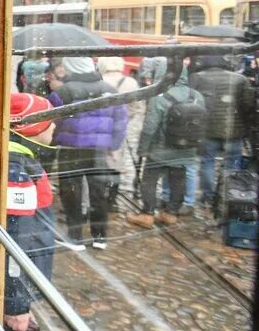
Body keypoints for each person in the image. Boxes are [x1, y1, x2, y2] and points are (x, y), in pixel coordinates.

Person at [47, 56, 127, 249]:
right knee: (98, 192)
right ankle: (100, 236)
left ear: (70, 68)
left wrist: (53, 141)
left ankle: (75, 236)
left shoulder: (63, 92)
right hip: (98, 150)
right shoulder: (110, 90)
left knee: (71, 192)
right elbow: (120, 119)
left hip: (70, 149)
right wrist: (113, 144)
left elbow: (50, 120)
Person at [3, 93, 58, 331]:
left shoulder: (20, 161)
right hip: (13, 290)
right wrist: (16, 306)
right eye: (49, 121)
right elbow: (13, 243)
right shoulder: (17, 170)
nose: (55, 126)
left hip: (16, 284)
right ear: (30, 128)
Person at [130, 66, 207, 228]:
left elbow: (150, 126)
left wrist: (142, 149)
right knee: (178, 180)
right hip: (186, 148)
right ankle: (171, 213)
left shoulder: (160, 96)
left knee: (149, 181)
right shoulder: (197, 95)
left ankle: (147, 214)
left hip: (160, 149)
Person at [189, 54, 253, 208]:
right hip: (234, 130)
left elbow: (191, 102)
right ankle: (229, 194)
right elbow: (248, 105)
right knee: (233, 163)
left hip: (207, 129)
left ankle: (208, 196)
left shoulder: (196, 77)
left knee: (207, 162)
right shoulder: (240, 79)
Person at [97, 56, 142, 203]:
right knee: (115, 162)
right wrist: (125, 118)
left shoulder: (99, 81)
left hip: (99, 128)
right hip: (119, 128)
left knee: (98, 161)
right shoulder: (131, 82)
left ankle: (98, 195)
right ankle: (112, 198)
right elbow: (136, 107)